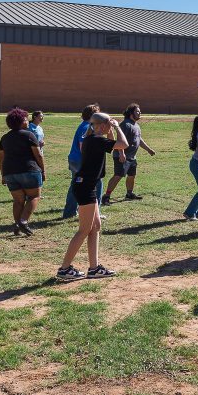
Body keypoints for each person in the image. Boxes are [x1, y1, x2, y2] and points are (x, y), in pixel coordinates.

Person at [57, 112, 128, 281]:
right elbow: (124, 144)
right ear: (103, 126)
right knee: (84, 230)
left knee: (95, 227)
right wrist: (118, 126)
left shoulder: (92, 139)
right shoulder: (96, 140)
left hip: (87, 185)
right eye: (108, 125)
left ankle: (94, 268)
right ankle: (64, 269)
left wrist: (110, 128)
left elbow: (112, 145)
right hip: (85, 187)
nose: (110, 127)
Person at [0, 108, 45, 236]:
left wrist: (3, 175)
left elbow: (1, 157)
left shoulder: (4, 138)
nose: (27, 121)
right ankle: (23, 222)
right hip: (29, 170)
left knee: (18, 201)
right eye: (25, 118)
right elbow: (38, 155)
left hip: (9, 172)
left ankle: (17, 225)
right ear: (20, 121)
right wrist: (43, 170)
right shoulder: (29, 135)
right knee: (34, 196)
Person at [102, 103, 155, 205]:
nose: (140, 113)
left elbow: (139, 139)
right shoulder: (125, 124)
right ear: (131, 113)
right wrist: (121, 153)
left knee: (131, 175)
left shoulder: (136, 125)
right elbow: (119, 139)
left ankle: (129, 194)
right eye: (137, 111)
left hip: (132, 157)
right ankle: (106, 196)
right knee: (118, 175)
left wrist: (148, 149)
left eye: (140, 111)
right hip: (122, 156)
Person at [63, 104, 103, 219]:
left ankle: (69, 212)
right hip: (81, 161)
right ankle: (96, 213)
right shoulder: (88, 127)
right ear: (94, 115)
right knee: (97, 183)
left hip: (74, 160)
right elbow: (83, 146)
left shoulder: (83, 125)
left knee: (76, 186)